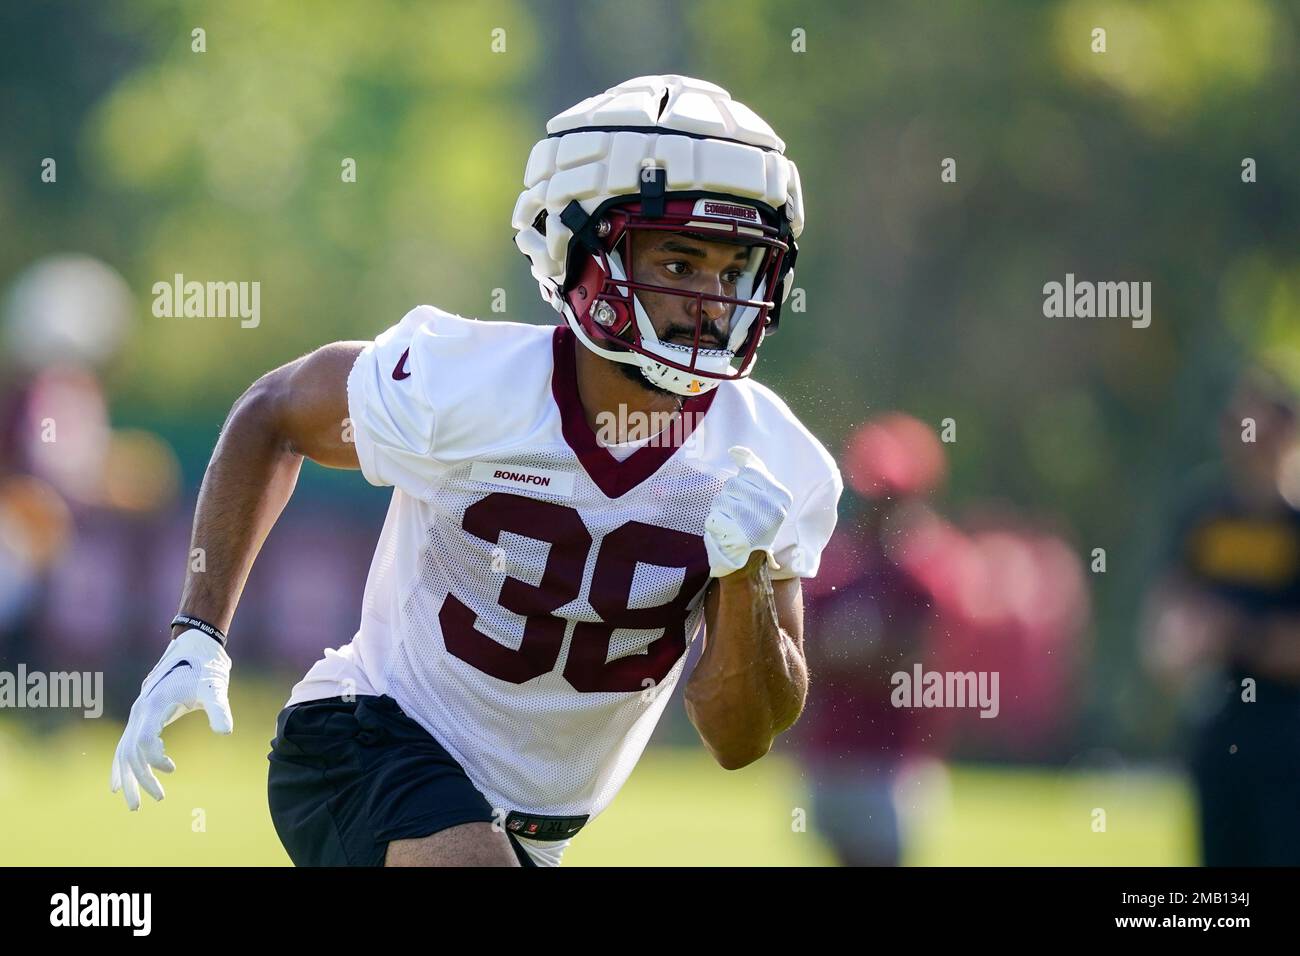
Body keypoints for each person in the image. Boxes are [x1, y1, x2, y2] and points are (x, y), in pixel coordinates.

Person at [109, 75, 843, 867]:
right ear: (579, 250)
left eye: (734, 270)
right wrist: (198, 633)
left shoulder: (774, 460)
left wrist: (746, 573)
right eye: (680, 259)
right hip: (366, 740)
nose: (711, 300)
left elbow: (739, 738)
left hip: (530, 835)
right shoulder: (462, 383)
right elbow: (274, 412)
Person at [1143, 367, 1300, 865]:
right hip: (1220, 731)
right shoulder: (1204, 518)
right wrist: (1180, 644)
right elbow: (1164, 634)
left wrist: (1234, 633)